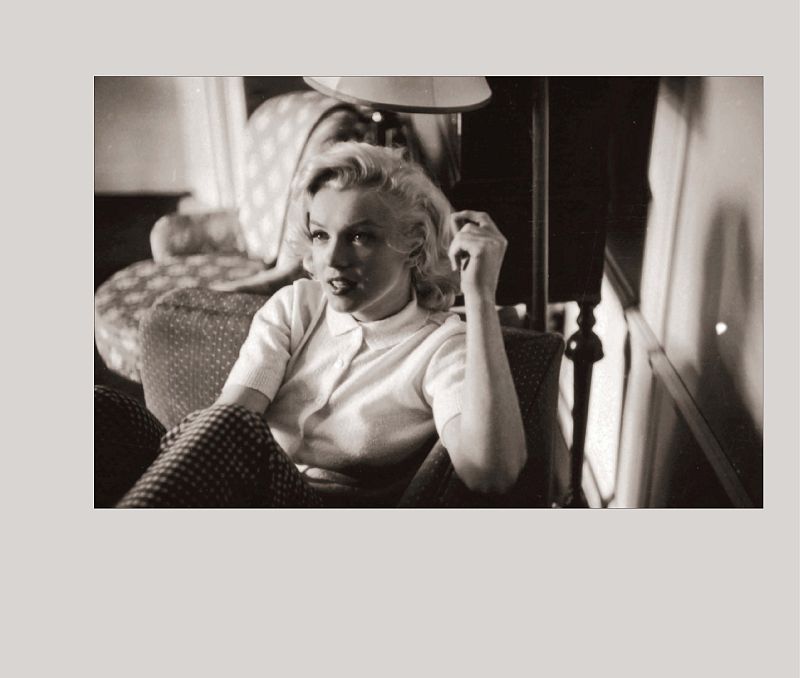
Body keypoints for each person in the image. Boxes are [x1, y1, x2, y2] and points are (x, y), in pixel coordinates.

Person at [99, 141, 526, 508]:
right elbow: (233, 415)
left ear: (413, 243)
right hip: (247, 495)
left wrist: (480, 296)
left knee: (229, 425)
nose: (333, 259)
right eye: (321, 235)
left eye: (360, 236)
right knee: (107, 410)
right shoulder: (295, 306)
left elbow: (490, 473)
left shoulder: (441, 347)